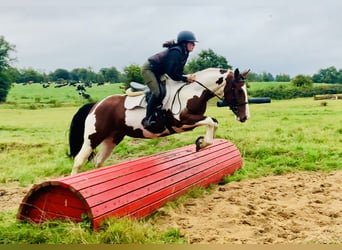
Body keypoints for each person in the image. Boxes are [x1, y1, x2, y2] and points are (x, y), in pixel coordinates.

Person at [141, 30, 198, 130]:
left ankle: (160, 113)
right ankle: (148, 119)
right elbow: (172, 73)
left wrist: (187, 78)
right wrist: (185, 78)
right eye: (191, 43)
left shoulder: (185, 53)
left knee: (166, 90)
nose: (194, 45)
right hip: (149, 69)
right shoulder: (176, 52)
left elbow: (179, 71)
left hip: (159, 72)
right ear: (184, 43)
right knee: (159, 93)